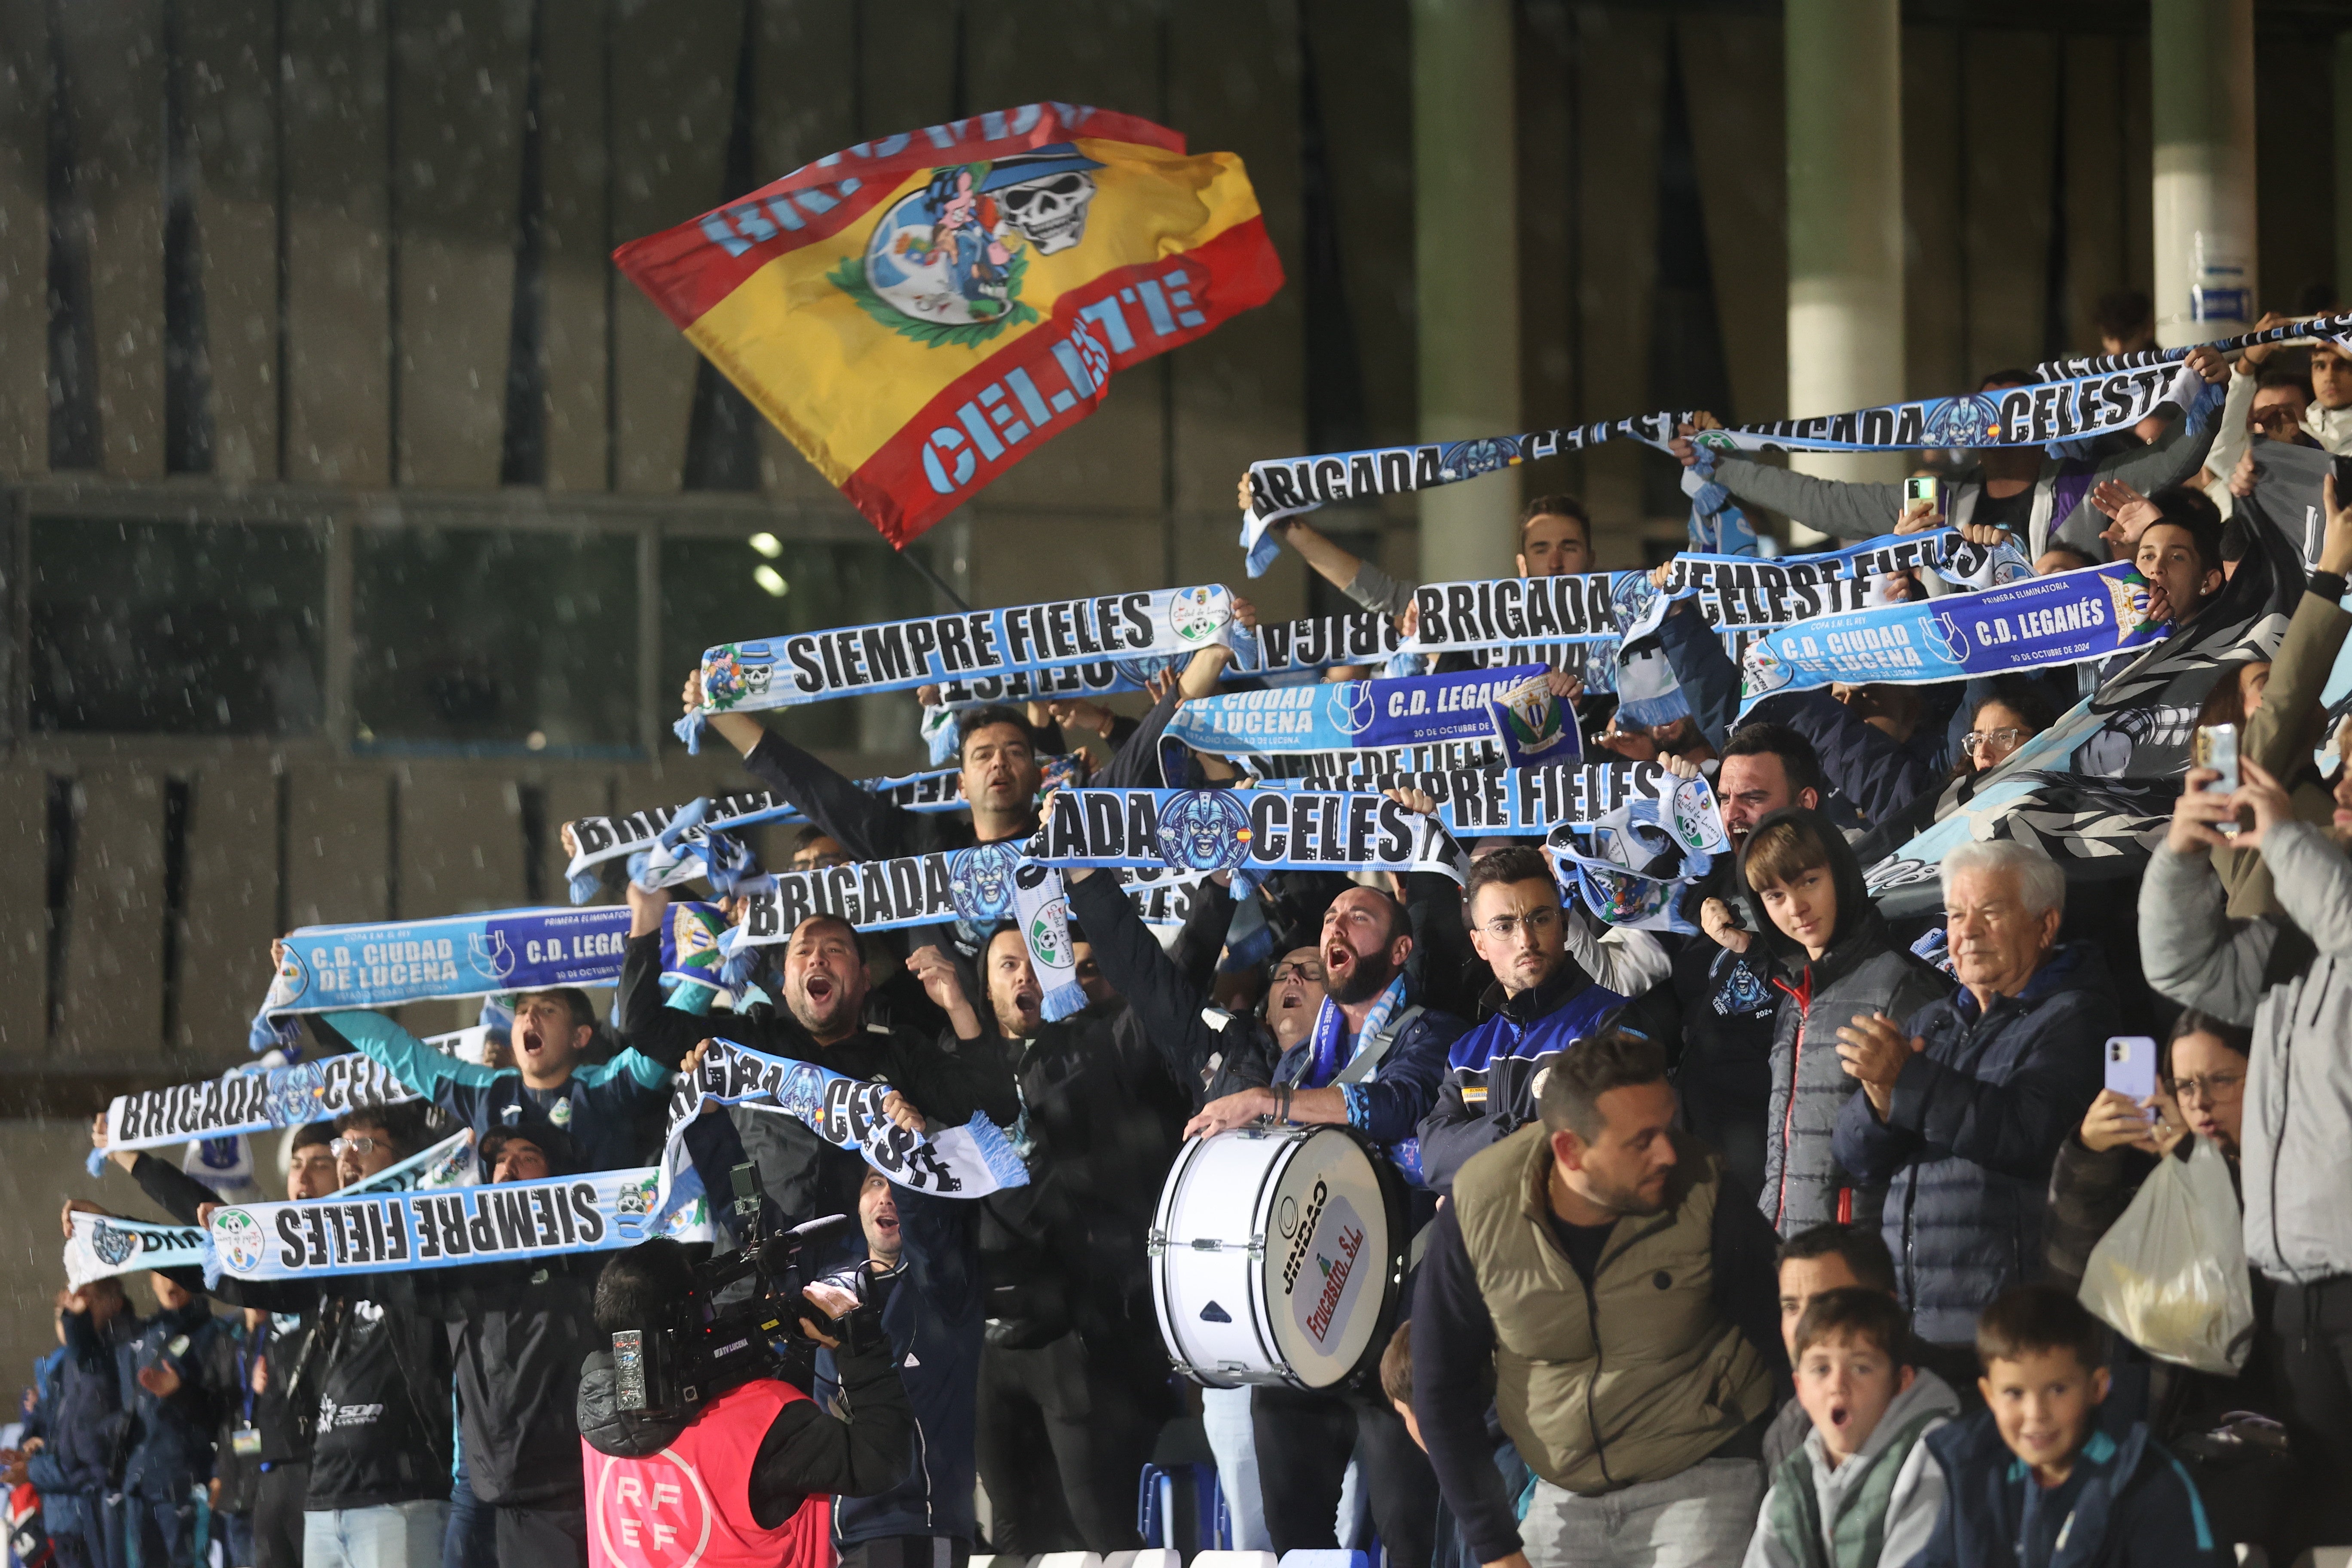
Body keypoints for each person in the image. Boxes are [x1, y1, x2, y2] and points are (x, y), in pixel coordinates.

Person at [1412, 1029, 1785, 1568]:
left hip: (1704, 1471)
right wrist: (1496, 1548)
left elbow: (1787, 1333)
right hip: (1564, 1494)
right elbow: (1439, 1388)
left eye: (1669, 1126)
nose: (1668, 1152)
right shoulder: (1480, 1210)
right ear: (1570, 1151)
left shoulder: (1703, 1188)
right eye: (1642, 1140)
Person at [1184, 882, 1458, 1568]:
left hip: (1393, 1331)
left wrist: (1270, 1102)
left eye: (1358, 917)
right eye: (1331, 916)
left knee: (1409, 1541)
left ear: (1399, 949)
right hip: (1303, 1334)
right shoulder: (1302, 1060)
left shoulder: (1432, 1033)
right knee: (1296, 1544)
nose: (1337, 926)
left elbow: (1394, 1105)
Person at [2140, 751, 2352, 1542]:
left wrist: (2287, 839)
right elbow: (2181, 965)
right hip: (2298, 1301)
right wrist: (2182, 854)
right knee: (2326, 1533)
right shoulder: (2299, 935)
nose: (2342, 785)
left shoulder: (2328, 907)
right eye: (2344, 766)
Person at [1831, 840, 2110, 1347]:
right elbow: (1855, 1157)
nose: (1968, 932)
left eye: (1991, 913)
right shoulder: (1929, 1022)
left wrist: (1907, 1081)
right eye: (1957, 915)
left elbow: (2028, 1135)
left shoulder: (2076, 1018)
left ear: (2045, 925)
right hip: (1913, 1318)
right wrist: (1878, 1103)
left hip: (2012, 1327)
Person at [622, 906, 1019, 1231]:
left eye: (835, 949)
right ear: (784, 983)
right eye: (803, 951)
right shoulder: (743, 1044)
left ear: (865, 979)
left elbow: (998, 1107)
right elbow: (643, 1026)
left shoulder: (900, 1050)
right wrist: (645, 920)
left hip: (863, 1272)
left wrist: (958, 1007)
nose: (817, 958)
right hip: (754, 1262)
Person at [1670, 351, 2230, 561]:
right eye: (1985, 410)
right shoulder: (1933, 499)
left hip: (2066, 689)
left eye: (2013, 409)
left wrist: (2209, 394)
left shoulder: (2087, 483)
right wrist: (1719, 466)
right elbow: (1825, 504)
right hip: (1969, 703)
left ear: (2045, 424)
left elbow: (2172, 461)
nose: (1997, 422)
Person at [576, 1237, 913, 1568]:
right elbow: (882, 1459)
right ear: (687, 1318)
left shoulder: (597, 1418)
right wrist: (861, 1345)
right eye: (704, 1300)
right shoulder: (764, 1419)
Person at [1737, 809, 1948, 1238]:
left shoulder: (1900, 984)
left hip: (1864, 1258)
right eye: (1775, 895)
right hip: (1793, 1254)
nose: (1795, 908)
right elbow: (1785, 1154)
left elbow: (1941, 1139)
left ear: (1842, 874)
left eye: (1809, 881)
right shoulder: (1794, 999)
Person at [1911, 1285, 2224, 1568]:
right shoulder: (1974, 1469)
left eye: (2058, 1390)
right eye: (2015, 1393)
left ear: (2097, 1387)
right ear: (1989, 1396)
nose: (2036, 1414)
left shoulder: (2147, 1483)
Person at [1416, 845, 1634, 1195]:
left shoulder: (1610, 1023)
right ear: (1480, 944)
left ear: (1564, 924)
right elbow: (1435, 1158)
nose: (1526, 940)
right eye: (1504, 926)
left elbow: (1607, 1148)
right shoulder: (1467, 1052)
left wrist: (1478, 1175)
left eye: (1540, 919)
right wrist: (1521, 1134)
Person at [1676, 723, 1828, 1196]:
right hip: (1700, 1154)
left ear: (1805, 802)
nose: (1732, 814)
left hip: (1781, 1167)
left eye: (1753, 798)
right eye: (1724, 798)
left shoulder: (1847, 887)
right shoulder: (1712, 881)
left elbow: (1829, 995)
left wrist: (1755, 951)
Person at [314, 982, 673, 1173]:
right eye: (522, 1011)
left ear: (580, 1036)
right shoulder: (486, 1093)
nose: (530, 1018)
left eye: (548, 1010)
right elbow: (398, 1051)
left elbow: (666, 1037)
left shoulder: (608, 1088)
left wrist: (701, 964)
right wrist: (311, 989)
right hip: (509, 1284)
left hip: (599, 1278)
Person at [821, 1170, 983, 1568]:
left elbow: (927, 1231)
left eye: (898, 1187)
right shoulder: (832, 1294)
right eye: (875, 1183)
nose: (887, 1196)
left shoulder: (944, 1291)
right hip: (848, 1536)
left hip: (922, 1531)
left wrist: (904, 1159)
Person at [2210, 469, 2352, 917]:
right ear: (2232, 725)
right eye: (2265, 686)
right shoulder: (2221, 777)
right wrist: (2331, 570)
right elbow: (2287, 698)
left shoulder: (2334, 783)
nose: (2289, 684)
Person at [1741, 1288, 1960, 1568]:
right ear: (1800, 1388)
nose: (1838, 1385)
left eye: (1861, 1368)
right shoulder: (1794, 1481)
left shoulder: (1932, 1456)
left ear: (1900, 1382)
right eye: (1821, 1369)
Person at [116, 1269, 226, 1568]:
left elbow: (222, 1412)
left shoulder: (213, 1333)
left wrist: (181, 1392)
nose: (169, 1283)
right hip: (141, 1483)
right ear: (151, 1280)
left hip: (186, 1481)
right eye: (161, 1275)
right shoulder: (141, 1337)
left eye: (177, 1274)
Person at [27, 1277, 136, 1568]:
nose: (76, 1310)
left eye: (88, 1300)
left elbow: (95, 1441)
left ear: (114, 1303)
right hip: (73, 1503)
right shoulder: (67, 1366)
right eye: (65, 1310)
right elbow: (60, 1430)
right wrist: (38, 1450)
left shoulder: (119, 1349)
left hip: (102, 1493)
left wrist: (38, 1470)